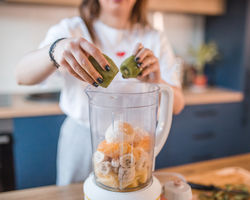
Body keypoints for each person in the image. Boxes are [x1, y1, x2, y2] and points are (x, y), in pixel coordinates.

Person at [16, 0, 185, 186]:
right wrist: (55, 51)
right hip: (82, 140)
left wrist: (156, 82)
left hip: (135, 146)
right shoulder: (71, 29)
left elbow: (177, 104)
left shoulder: (154, 37)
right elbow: (22, 75)